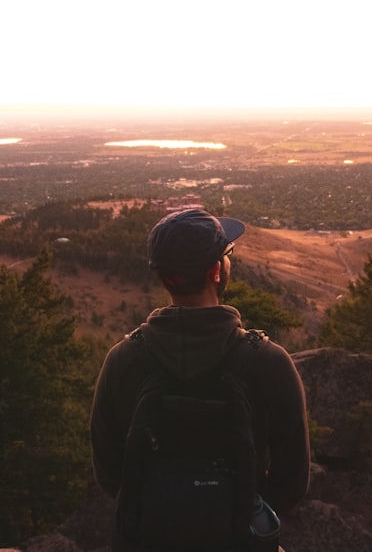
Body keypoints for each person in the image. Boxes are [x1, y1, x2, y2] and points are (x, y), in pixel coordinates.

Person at [90, 208, 310, 551]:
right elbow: (293, 481)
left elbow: (109, 473)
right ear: (216, 271)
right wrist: (232, 512)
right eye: (228, 254)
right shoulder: (269, 362)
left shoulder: (123, 361)